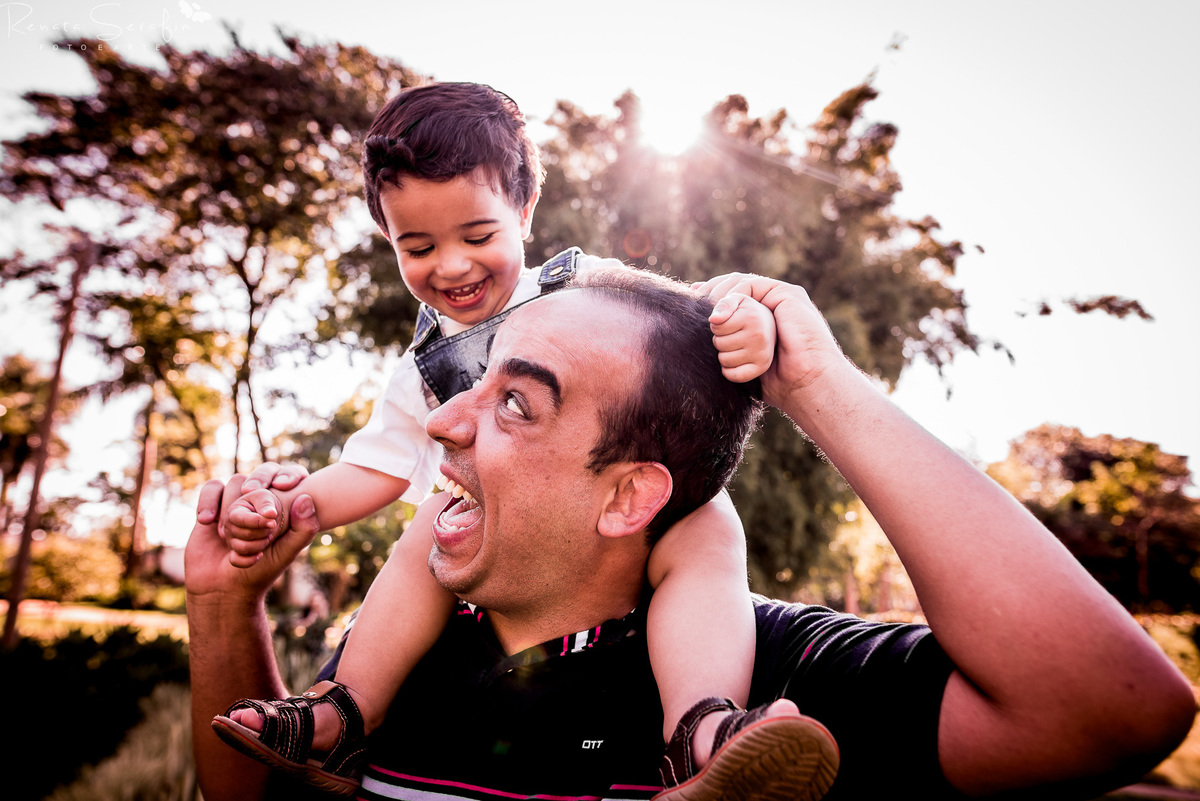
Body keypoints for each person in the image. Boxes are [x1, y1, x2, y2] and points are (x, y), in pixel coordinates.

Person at [188, 263, 1196, 801]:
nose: (444, 423)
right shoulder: (395, 652)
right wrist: (226, 602)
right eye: (474, 384)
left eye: (517, 406)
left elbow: (1115, 711)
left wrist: (818, 388)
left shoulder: (780, 688)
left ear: (629, 498)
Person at [208, 82, 834, 798]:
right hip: (500, 537)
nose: (450, 265)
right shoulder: (425, 364)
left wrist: (739, 319)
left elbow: (684, 316)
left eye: (477, 236)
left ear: (525, 211)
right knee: (427, 523)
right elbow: (373, 467)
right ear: (389, 238)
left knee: (710, 524)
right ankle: (340, 709)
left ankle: (699, 734)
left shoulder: (583, 286)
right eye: (417, 247)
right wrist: (291, 506)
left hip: (622, 510)